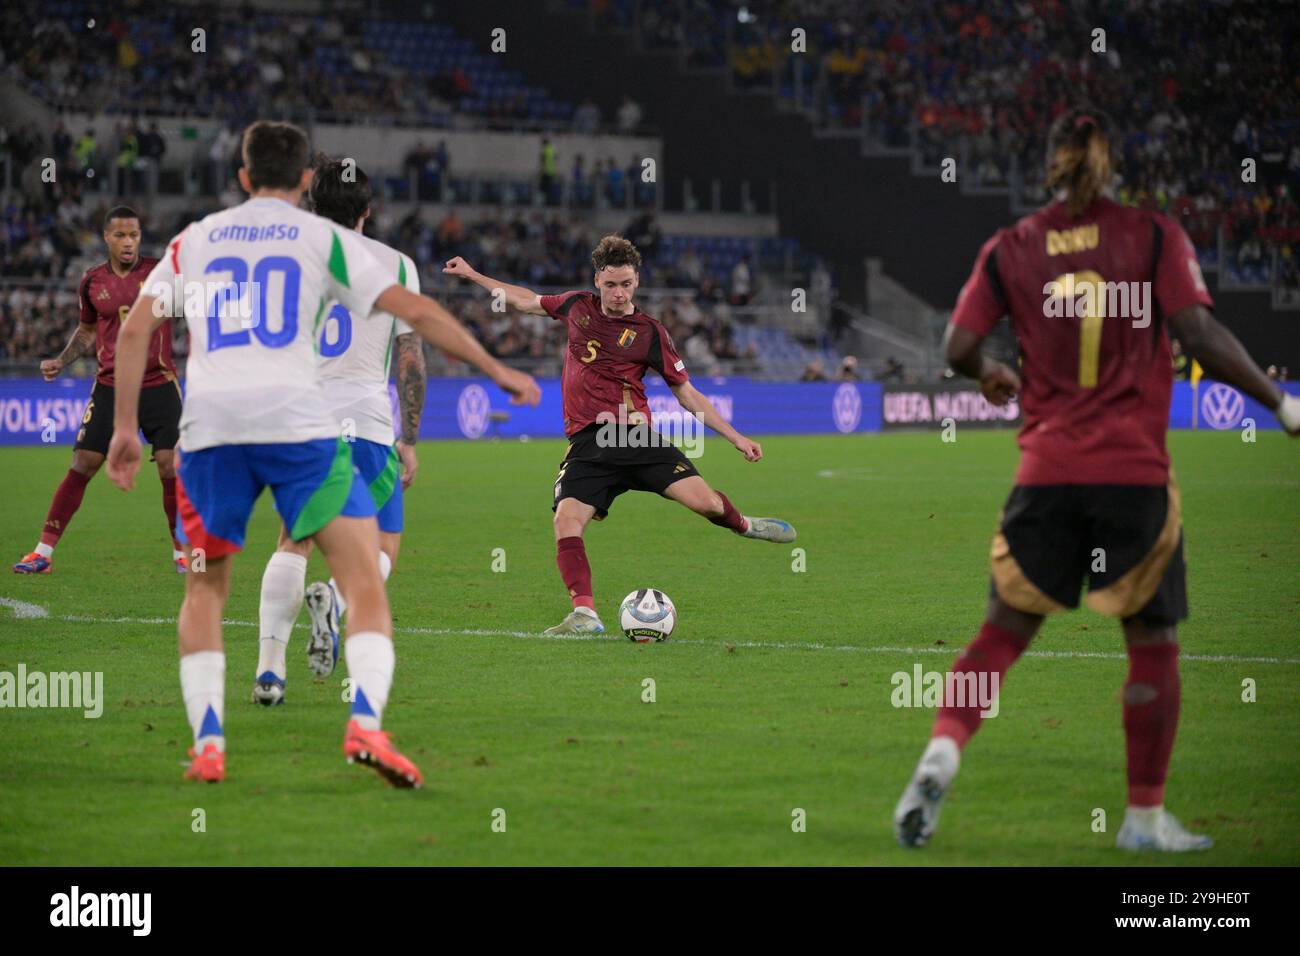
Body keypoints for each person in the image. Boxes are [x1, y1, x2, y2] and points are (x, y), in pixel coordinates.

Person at [893, 107, 1300, 853]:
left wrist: (988, 371)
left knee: (1000, 636)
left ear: (1047, 162)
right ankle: (1144, 818)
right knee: (1152, 644)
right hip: (1132, 476)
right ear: (1108, 164)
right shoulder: (1151, 235)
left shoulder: (1010, 246)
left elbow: (958, 344)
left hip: (1046, 474)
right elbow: (1199, 332)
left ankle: (943, 749)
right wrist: (1280, 403)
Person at [105, 120, 540, 787]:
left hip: (211, 426)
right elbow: (416, 316)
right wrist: (495, 368)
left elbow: (136, 329)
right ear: (305, 179)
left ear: (244, 176)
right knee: (363, 577)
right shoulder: (325, 241)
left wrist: (126, 429)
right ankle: (365, 723)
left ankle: (210, 745)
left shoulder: (196, 239)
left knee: (205, 586)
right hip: (298, 422)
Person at [442, 235, 797, 635]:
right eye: (611, 284)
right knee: (567, 520)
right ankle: (585, 615)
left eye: (626, 284)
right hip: (590, 443)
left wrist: (735, 437)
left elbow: (687, 393)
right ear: (597, 280)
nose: (618, 292)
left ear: (637, 282)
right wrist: (472, 274)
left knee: (709, 505)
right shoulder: (576, 306)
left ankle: (744, 524)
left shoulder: (650, 332)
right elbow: (524, 299)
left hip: (634, 439)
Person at [251, 156, 428, 706]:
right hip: (369, 427)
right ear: (368, 211)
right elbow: (411, 359)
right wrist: (409, 439)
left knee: (293, 539)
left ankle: (269, 671)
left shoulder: (287, 263)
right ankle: (333, 597)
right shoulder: (397, 266)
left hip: (301, 424)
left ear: (310, 205)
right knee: (384, 546)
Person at [14, 207, 183, 574]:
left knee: (171, 464)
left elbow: (194, 307)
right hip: (110, 384)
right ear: (107, 237)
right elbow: (87, 330)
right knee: (83, 462)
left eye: (134, 235)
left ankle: (181, 551)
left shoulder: (161, 274)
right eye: (121, 235)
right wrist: (62, 359)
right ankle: (42, 552)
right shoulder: (91, 282)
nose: (128, 242)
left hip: (158, 383)